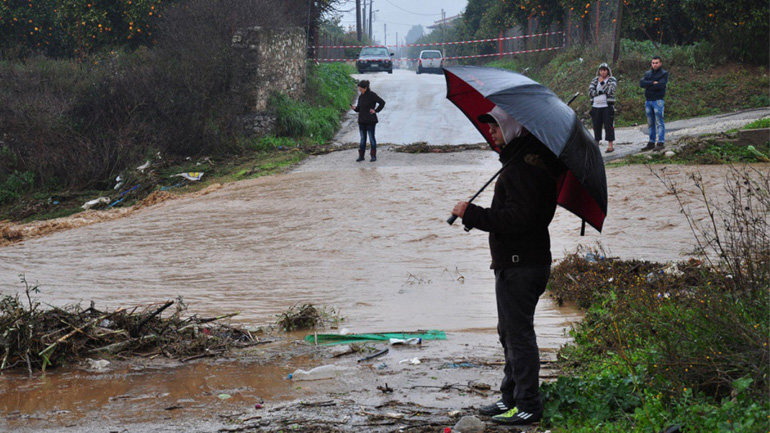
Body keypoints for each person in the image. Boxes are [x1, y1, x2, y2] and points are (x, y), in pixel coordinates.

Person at [451, 106, 564, 426]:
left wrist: (471, 213)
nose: (491, 131)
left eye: (496, 127)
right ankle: (510, 398)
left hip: (521, 265)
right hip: (520, 263)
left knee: (518, 335)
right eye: (489, 126)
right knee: (509, 333)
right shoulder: (523, 163)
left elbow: (518, 219)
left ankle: (528, 404)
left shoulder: (522, 170)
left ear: (513, 129)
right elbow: (518, 214)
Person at [350, 80, 385, 162]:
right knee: (362, 139)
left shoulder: (372, 95)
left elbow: (382, 102)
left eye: (361, 89)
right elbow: (359, 109)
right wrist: (355, 108)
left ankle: (373, 156)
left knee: (371, 138)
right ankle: (361, 156)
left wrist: (375, 110)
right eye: (359, 89)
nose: (360, 91)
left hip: (370, 121)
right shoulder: (361, 96)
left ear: (365, 88)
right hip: (362, 121)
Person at [640, 56, 668, 151]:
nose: (654, 64)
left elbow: (661, 85)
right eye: (653, 63)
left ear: (660, 63)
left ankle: (660, 142)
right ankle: (651, 142)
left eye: (656, 63)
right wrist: (652, 83)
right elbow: (641, 83)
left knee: (659, 122)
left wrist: (649, 85)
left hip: (658, 100)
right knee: (650, 123)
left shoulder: (664, 74)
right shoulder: (648, 73)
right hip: (648, 100)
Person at [589, 63, 617, 153]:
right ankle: (596, 145)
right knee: (596, 126)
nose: (603, 72)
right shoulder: (594, 80)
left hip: (607, 106)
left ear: (608, 71)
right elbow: (590, 92)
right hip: (596, 106)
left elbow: (610, 91)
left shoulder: (612, 79)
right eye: (601, 70)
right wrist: (601, 92)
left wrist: (602, 83)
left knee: (609, 126)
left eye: (604, 70)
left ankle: (610, 145)